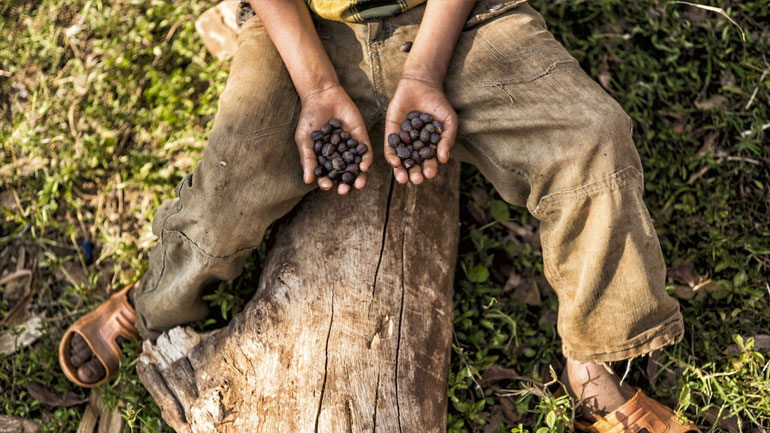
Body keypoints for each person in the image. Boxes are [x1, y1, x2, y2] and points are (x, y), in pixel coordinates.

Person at [59, 1, 701, 431]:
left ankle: (595, 368)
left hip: (464, 17)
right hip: (310, 27)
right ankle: (149, 305)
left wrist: (422, 70)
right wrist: (317, 88)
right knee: (226, 187)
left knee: (592, 139)